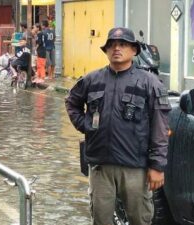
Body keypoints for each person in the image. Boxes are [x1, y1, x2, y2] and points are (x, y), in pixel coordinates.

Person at [65, 27, 171, 225]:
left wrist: (157, 166)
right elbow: (72, 102)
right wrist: (86, 125)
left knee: (140, 219)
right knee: (101, 219)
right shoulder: (92, 79)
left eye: (122, 44)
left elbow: (160, 127)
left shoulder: (150, 83)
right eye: (112, 45)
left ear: (134, 50)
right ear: (105, 51)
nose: (116, 49)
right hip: (100, 167)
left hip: (135, 168)